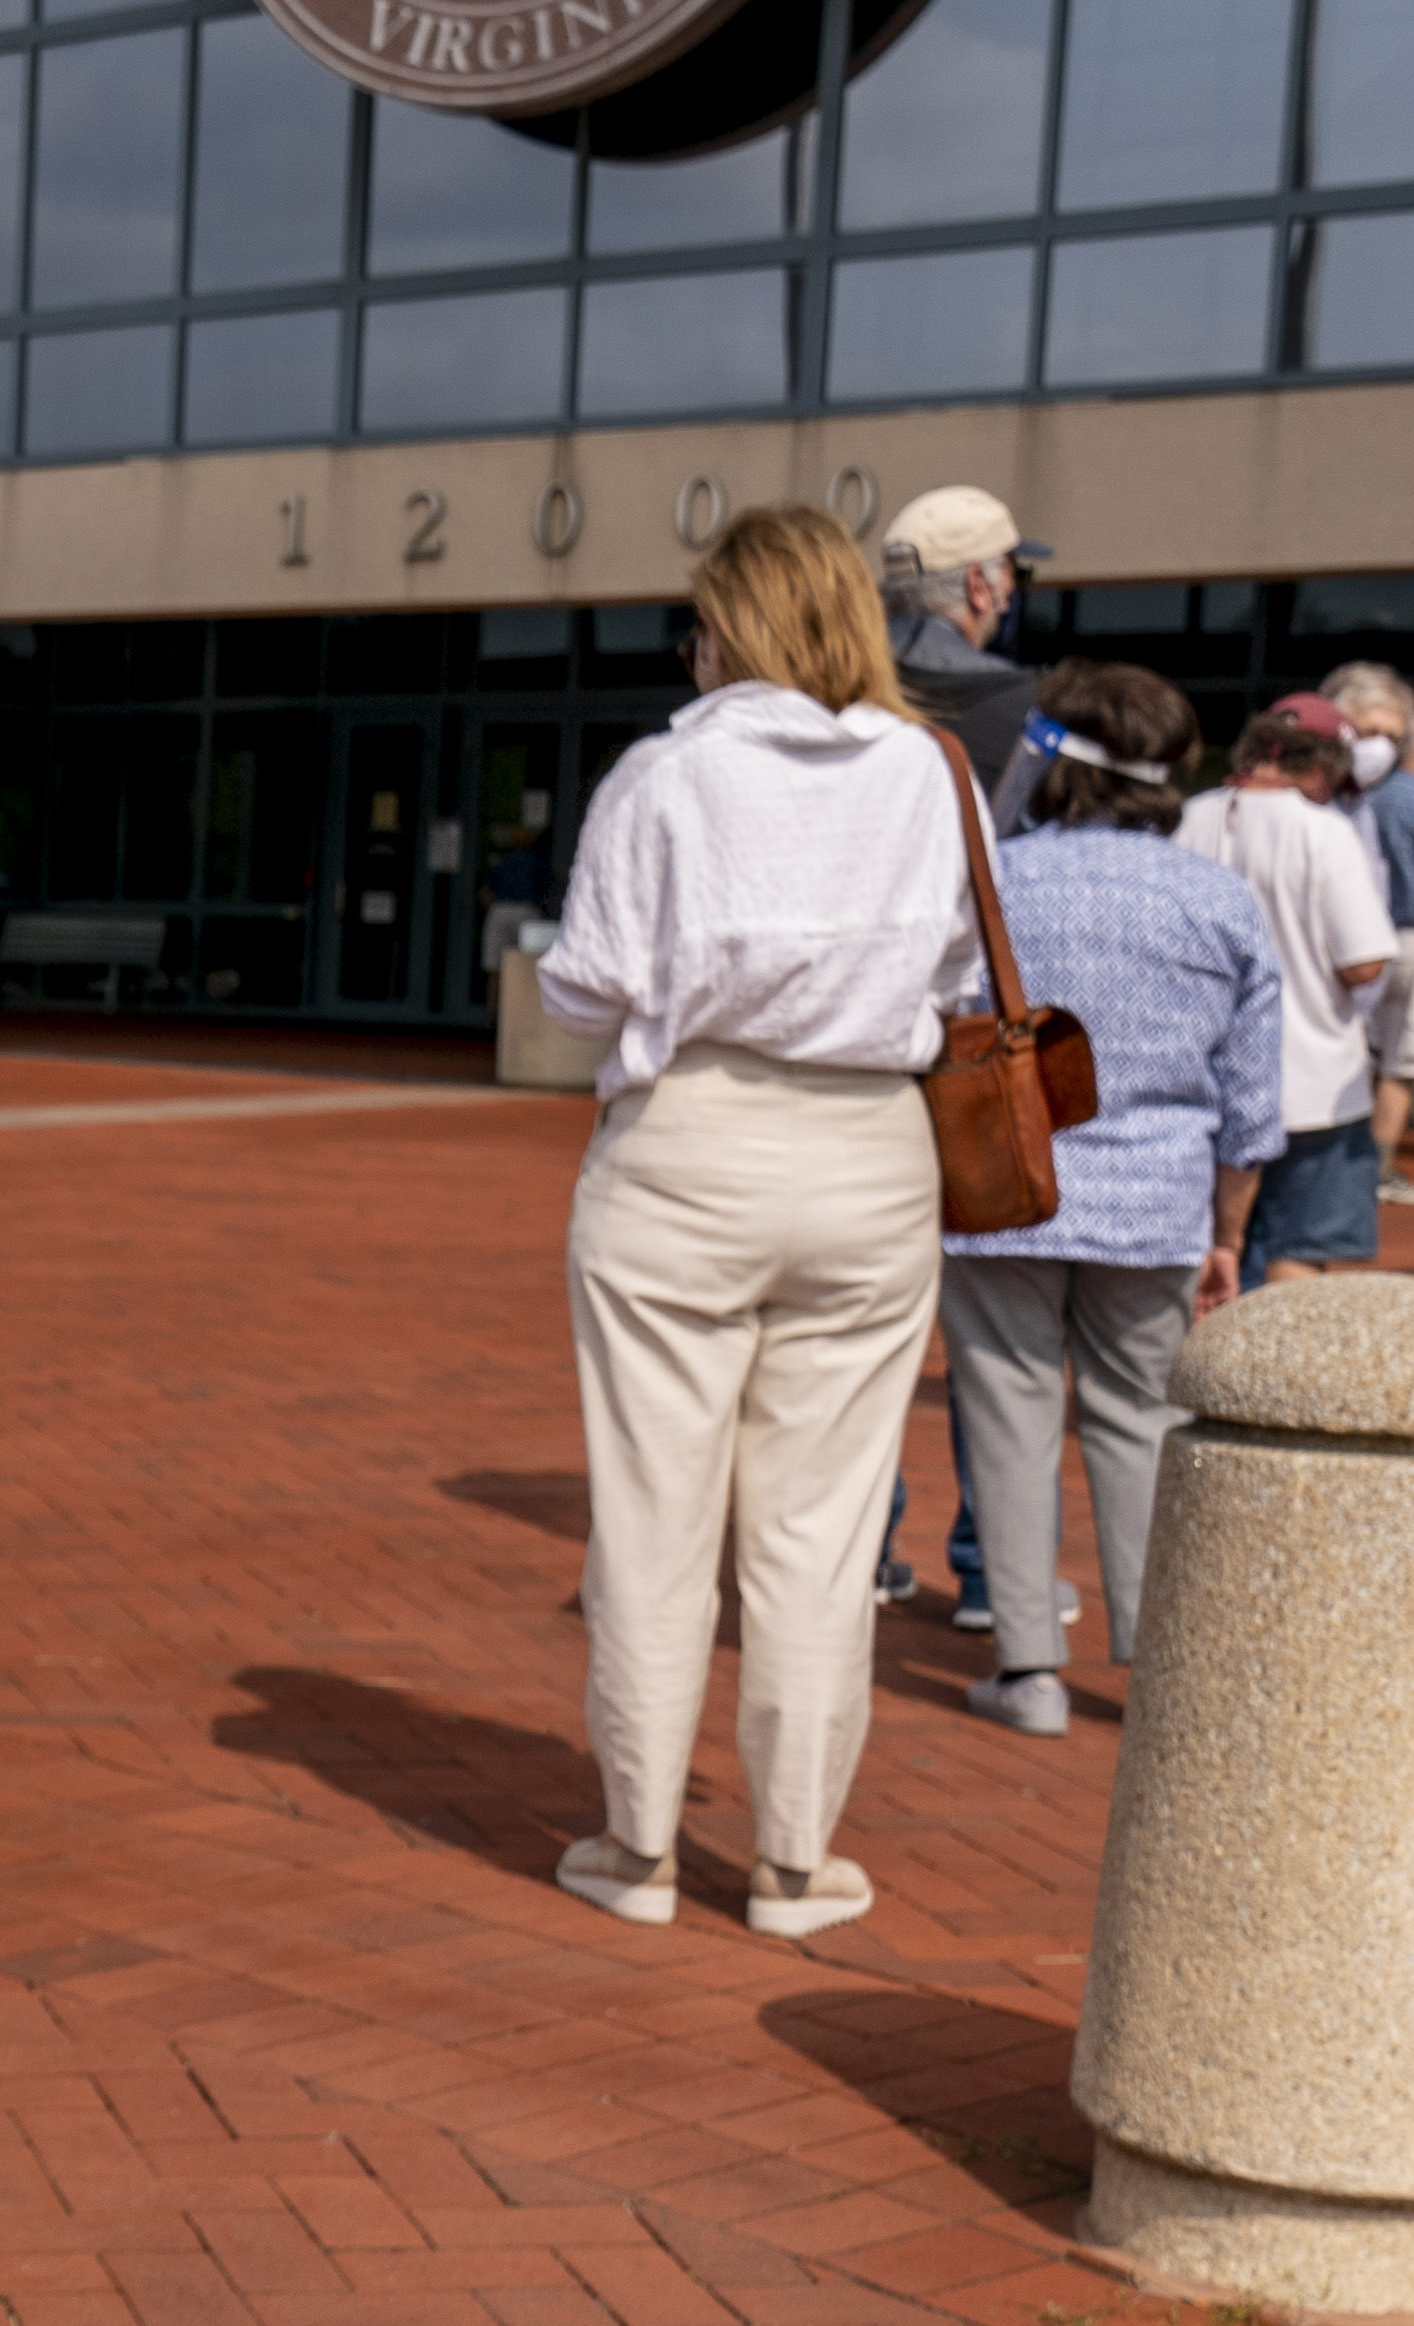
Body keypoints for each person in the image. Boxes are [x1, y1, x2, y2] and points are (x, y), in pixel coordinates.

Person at [535, 503, 976, 1943]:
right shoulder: (929, 773)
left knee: (652, 1516)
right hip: (866, 1153)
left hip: (687, 1144)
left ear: (726, 624)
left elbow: (580, 989)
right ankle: (789, 1862)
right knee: (820, 1528)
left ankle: (637, 1844)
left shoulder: (663, 777)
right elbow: (962, 976)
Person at [934, 663, 1280, 1736]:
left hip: (1005, 1189)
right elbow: (1255, 1100)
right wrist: (1230, 1233)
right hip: (1158, 1201)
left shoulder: (997, 881)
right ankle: (1147, 1657)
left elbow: (936, 1019)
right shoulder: (1220, 898)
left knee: (1008, 1412)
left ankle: (1029, 1665)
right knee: (1141, 1423)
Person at [1176, 699, 1395, 1283]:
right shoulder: (1325, 831)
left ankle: (1197, 1375)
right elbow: (1365, 963)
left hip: (1204, 1074)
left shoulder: (1186, 817)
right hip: (1312, 1080)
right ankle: (1269, 1379)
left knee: (1199, 1258)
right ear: (1320, 768)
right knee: (1297, 1248)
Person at [1324, 658, 1414, 1199]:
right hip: (1409, 942)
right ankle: (1376, 1172)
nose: (1380, 744)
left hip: (1366, 944)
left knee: (1365, 1057)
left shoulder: (1367, 801)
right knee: (1403, 1064)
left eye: (1390, 734)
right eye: (1371, 731)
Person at [878, 484, 1046, 811]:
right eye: (1017, 574)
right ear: (977, 585)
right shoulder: (1029, 712)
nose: (1013, 596)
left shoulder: (827, 689)